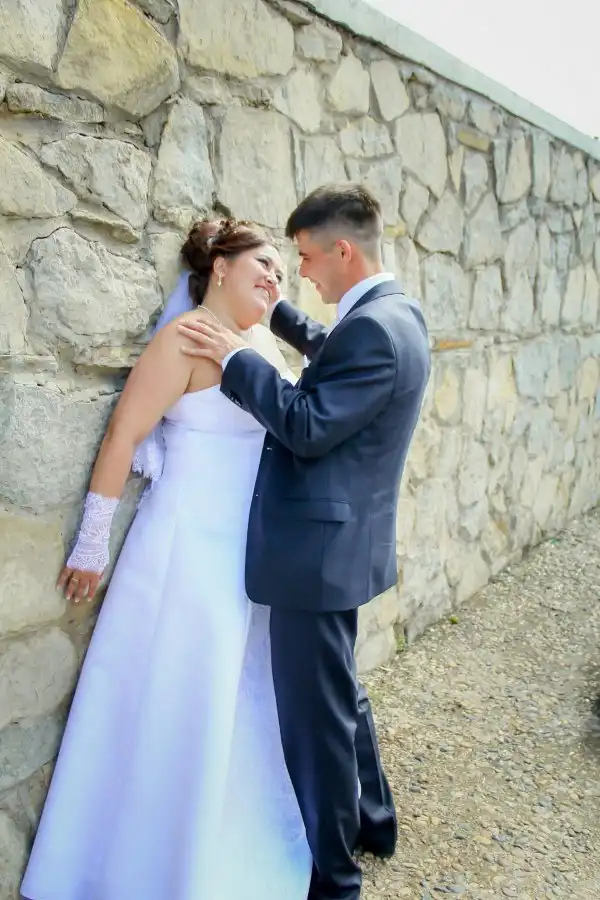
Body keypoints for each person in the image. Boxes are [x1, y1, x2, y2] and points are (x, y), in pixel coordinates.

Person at [20, 218, 314, 900]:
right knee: (173, 697)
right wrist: (92, 541)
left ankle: (213, 860)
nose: (274, 278)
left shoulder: (262, 348)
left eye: (280, 271)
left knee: (235, 704)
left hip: (248, 557)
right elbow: (124, 436)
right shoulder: (181, 339)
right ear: (221, 267)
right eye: (263, 264)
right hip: (186, 551)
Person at [178, 184, 431, 900]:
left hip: (316, 554)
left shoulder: (374, 329)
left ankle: (335, 878)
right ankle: (374, 821)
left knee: (315, 722)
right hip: (343, 544)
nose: (302, 274)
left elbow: (308, 425)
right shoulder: (396, 313)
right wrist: (275, 313)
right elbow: (335, 352)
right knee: (340, 693)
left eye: (306, 259)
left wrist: (238, 357)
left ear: (341, 250)